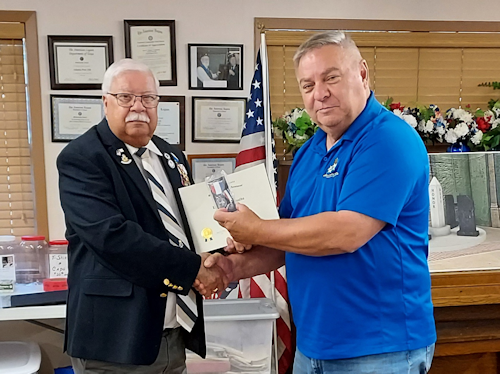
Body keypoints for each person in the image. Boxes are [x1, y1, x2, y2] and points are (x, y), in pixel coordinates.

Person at [203, 31, 436, 374]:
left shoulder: (389, 140)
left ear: (362, 73)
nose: (320, 94)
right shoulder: (309, 153)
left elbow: (345, 234)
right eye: (308, 85)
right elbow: (287, 240)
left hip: (379, 349)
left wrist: (257, 228)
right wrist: (232, 268)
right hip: (313, 345)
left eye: (331, 78)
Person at [57, 58, 227, 374]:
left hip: (173, 331)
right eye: (126, 97)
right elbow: (113, 238)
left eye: (148, 98)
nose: (139, 106)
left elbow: (186, 223)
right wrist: (194, 270)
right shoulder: (82, 158)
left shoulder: (170, 154)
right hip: (115, 339)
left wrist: (221, 249)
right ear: (105, 101)